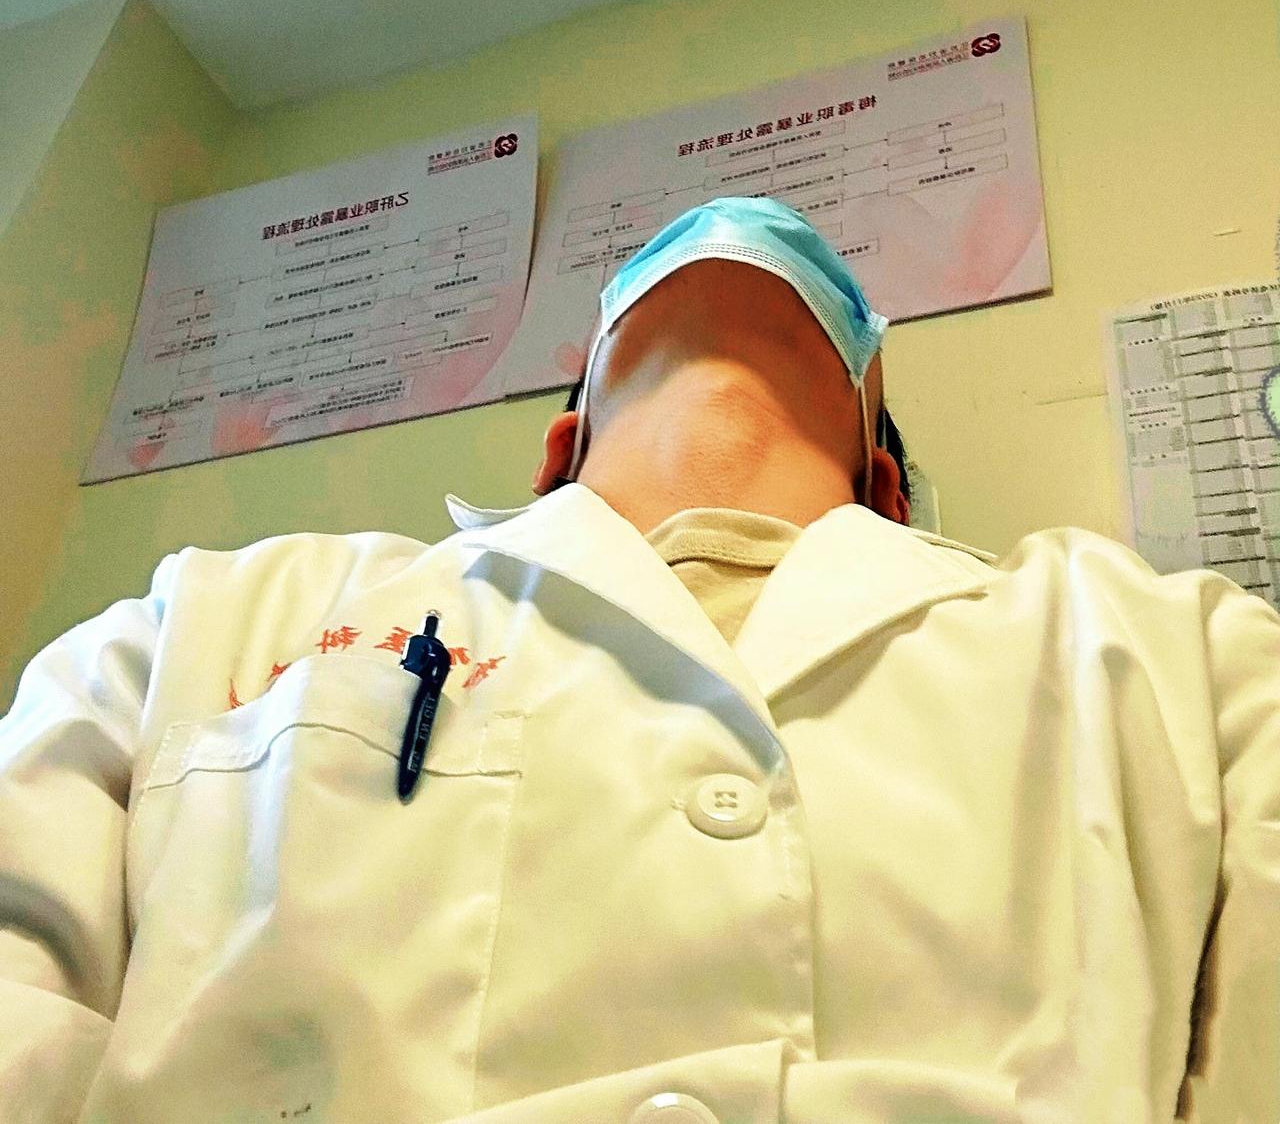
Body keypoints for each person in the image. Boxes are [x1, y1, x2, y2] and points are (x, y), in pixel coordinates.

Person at [0, 195, 1275, 1124]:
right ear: (555, 455)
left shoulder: (1175, 648)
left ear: (886, 487)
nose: (735, 227)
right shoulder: (202, 622)